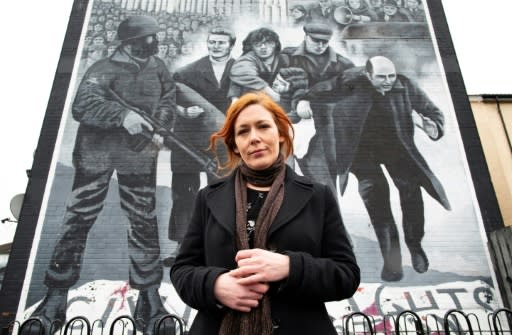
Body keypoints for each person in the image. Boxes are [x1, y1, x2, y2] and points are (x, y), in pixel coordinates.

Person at [30, 15, 177, 335]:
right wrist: (121, 115)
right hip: (96, 155)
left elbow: (168, 100)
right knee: (77, 219)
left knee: (143, 223)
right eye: (147, 39)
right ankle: (55, 296)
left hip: (138, 157)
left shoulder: (157, 67)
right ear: (128, 42)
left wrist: (160, 129)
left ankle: (149, 297)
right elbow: (82, 105)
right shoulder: (102, 70)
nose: (153, 44)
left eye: (155, 37)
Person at [170, 92, 360, 335]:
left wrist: (291, 267)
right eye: (243, 132)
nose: (254, 138)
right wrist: (215, 285)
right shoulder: (208, 198)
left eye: (263, 127)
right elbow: (182, 270)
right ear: (235, 146)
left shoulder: (317, 196)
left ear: (280, 134)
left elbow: (346, 275)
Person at [332, 56, 451, 281]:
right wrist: (304, 100)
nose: (388, 81)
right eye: (381, 77)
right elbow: (323, 91)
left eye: (391, 76)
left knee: (411, 193)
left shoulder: (404, 86)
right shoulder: (349, 84)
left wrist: (431, 127)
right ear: (368, 75)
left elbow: (433, 111)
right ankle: (393, 263)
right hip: (362, 153)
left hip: (396, 147)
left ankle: (415, 245)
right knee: (377, 201)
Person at [164, 27, 237, 266]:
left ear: (231, 45)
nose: (216, 46)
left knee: (223, 195)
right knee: (184, 194)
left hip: (224, 145)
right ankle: (181, 248)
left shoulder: (242, 71)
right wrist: (183, 111)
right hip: (188, 141)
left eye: (221, 42)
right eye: (212, 42)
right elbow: (165, 99)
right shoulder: (187, 72)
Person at [280, 22, 354, 196]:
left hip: (323, 128)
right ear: (305, 36)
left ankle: (329, 220)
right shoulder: (286, 56)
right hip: (286, 123)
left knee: (323, 179)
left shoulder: (341, 64)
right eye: (316, 41)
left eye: (325, 42)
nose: (321, 45)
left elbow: (351, 90)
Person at [228, 27, 285, 102]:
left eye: (268, 43)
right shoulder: (249, 58)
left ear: (275, 44)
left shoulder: (284, 58)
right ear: (251, 47)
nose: (263, 47)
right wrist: (268, 91)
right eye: (257, 44)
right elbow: (242, 72)